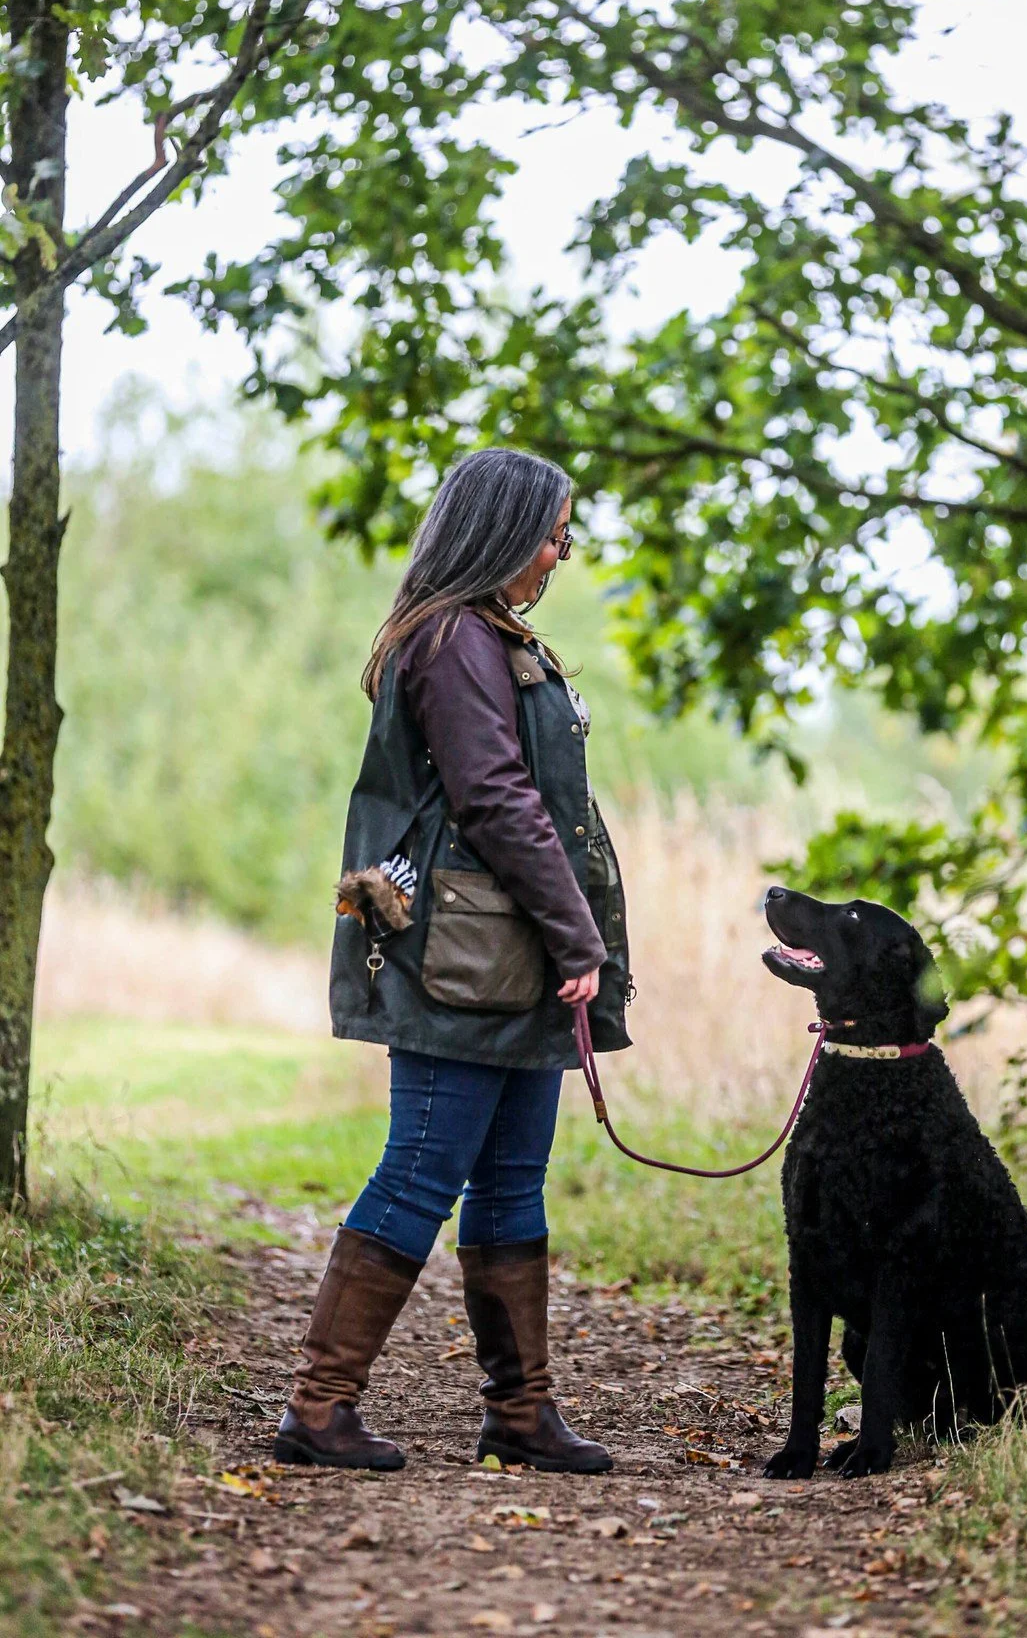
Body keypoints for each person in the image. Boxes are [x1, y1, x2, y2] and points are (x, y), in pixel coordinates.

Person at [274, 446, 631, 1474]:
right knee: (424, 1168)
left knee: (514, 1177)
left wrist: (563, 932)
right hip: (464, 957)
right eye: (555, 529)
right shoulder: (452, 641)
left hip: (509, 952)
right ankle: (318, 1404)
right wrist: (578, 934)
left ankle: (521, 1413)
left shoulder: (496, 637)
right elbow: (495, 798)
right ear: (504, 530)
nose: (562, 549)